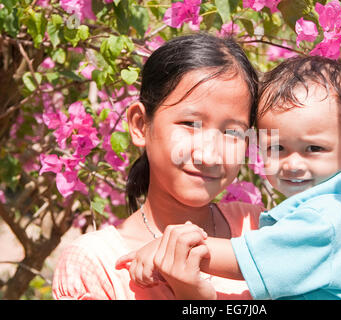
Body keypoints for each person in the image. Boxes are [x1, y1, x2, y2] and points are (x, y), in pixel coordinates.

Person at [120, 56, 341, 300]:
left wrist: (174, 248)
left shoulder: (329, 217)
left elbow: (246, 258)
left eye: (314, 149)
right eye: (277, 148)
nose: (293, 164)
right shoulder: (314, 211)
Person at [51, 32, 264, 300]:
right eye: (190, 124)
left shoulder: (259, 228)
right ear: (141, 125)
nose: (209, 156)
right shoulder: (96, 266)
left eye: (233, 133)